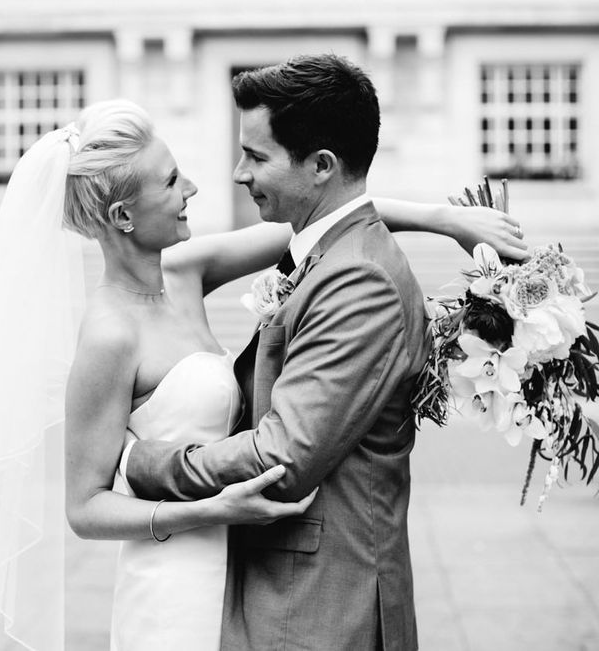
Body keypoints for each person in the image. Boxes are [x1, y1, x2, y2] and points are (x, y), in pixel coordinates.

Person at [0, 93, 526, 651]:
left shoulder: (186, 270)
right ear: (124, 214)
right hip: (177, 576)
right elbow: (84, 507)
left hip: (252, 568)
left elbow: (321, 222)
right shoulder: (108, 335)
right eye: (172, 181)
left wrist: (443, 220)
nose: (196, 185)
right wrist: (207, 510)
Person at [119, 54, 528, 651]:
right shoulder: (326, 251)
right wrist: (442, 218)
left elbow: (282, 458)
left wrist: (142, 465)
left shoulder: (357, 278)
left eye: (256, 156)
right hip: (291, 596)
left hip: (320, 609)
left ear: (321, 166)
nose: (236, 174)